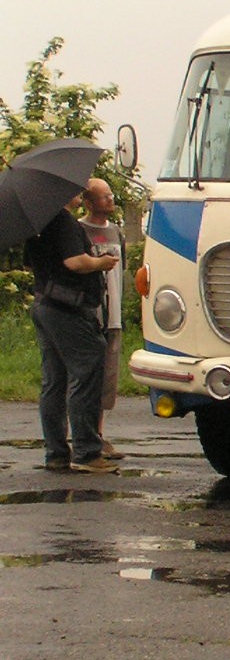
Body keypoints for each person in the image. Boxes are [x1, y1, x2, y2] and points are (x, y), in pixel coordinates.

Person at [24, 188, 120, 473]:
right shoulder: (64, 221)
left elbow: (29, 262)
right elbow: (74, 262)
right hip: (68, 307)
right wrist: (101, 263)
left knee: (54, 380)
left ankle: (56, 452)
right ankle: (86, 452)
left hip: (44, 303)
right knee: (87, 370)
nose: (80, 191)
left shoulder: (39, 223)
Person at [79, 178, 126, 458]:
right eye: (103, 196)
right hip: (91, 313)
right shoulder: (79, 230)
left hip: (114, 315)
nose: (110, 200)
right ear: (88, 202)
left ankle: (99, 433)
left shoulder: (117, 232)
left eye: (110, 195)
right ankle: (85, 437)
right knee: (88, 379)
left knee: (108, 379)